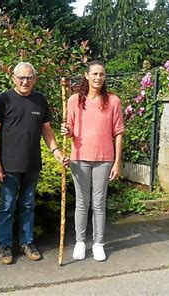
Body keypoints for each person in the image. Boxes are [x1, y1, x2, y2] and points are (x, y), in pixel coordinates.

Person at [0, 62, 67, 265]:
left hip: (32, 164)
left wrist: (56, 151)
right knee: (7, 206)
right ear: (13, 78)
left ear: (35, 79)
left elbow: (47, 130)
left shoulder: (40, 100)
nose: (25, 81)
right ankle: (4, 246)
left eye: (29, 78)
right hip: (8, 165)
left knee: (27, 205)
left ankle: (27, 242)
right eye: (21, 77)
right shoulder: (3, 100)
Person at [61, 61, 124, 262]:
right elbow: (70, 130)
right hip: (79, 158)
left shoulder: (113, 101)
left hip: (104, 159)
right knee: (82, 202)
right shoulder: (74, 101)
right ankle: (80, 242)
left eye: (102, 74)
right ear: (86, 76)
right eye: (95, 74)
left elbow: (119, 133)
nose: (98, 77)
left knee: (99, 203)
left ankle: (98, 243)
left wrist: (117, 162)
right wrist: (66, 131)